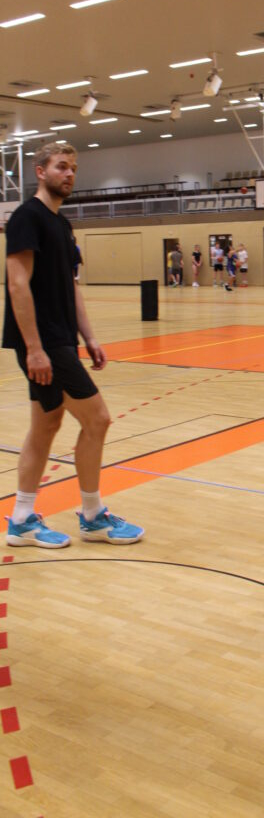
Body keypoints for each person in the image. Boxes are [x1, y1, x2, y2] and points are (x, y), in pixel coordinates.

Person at [2, 142, 144, 548]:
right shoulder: (27, 217)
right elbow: (17, 284)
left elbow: (71, 287)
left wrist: (90, 337)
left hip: (60, 339)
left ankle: (22, 519)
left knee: (46, 425)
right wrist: (34, 348)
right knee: (97, 419)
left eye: (73, 169)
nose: (69, 174)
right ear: (40, 171)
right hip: (43, 342)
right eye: (61, 167)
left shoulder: (62, 225)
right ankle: (93, 516)